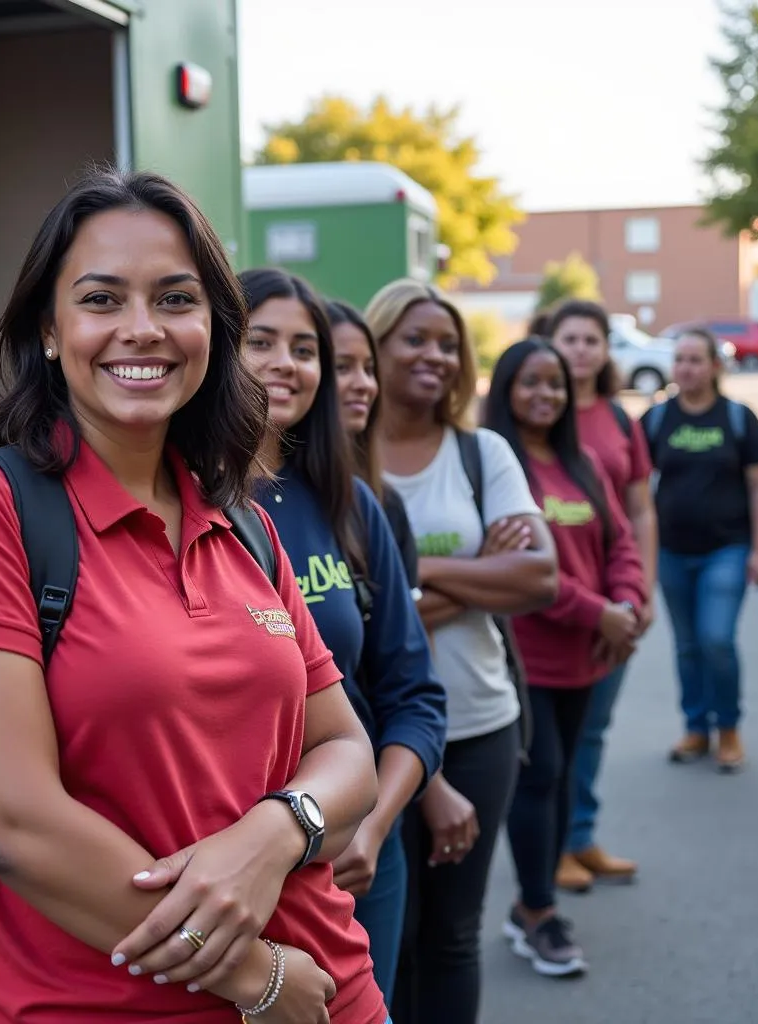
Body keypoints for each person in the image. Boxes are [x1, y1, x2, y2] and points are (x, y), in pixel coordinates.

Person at [0, 168, 391, 1023]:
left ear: (212, 329)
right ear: (50, 329)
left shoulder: (243, 525)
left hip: (332, 986)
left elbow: (346, 751)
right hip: (105, 1002)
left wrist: (273, 834)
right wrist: (252, 977)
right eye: (102, 299)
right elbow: (15, 824)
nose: (143, 330)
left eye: (176, 299)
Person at [238, 268, 447, 1007]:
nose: (284, 364)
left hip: (357, 850)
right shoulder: (180, 501)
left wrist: (374, 825)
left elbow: (412, 694)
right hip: (227, 858)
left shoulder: (350, 502)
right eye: (259, 341)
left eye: (304, 348)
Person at [364, 280, 557, 1024]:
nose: (435, 357)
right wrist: (479, 575)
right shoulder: (338, 457)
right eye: (415, 339)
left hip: (480, 723)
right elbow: (341, 613)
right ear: (375, 347)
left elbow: (538, 575)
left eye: (448, 344)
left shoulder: (483, 452)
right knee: (388, 936)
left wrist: (398, 571)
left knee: (452, 934)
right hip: (373, 737)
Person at [484, 337, 646, 978]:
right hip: (529, 657)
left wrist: (627, 603)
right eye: (531, 382)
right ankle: (537, 911)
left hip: (591, 654)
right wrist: (598, 612)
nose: (546, 395)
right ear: (506, 390)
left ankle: (536, 902)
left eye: (554, 383)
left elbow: (622, 540)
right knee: (541, 776)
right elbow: (523, 571)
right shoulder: (500, 466)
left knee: (563, 772)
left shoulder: (583, 464)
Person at [548, 299, 658, 892]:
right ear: (553, 342)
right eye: (571, 337)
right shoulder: (532, 413)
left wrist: (641, 593)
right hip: (553, 610)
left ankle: (580, 837)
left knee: (592, 730)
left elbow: (639, 510)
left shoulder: (620, 420)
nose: (582, 349)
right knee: (552, 745)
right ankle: (555, 845)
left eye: (594, 338)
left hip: (617, 602)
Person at [642, 327, 758, 772]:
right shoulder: (657, 419)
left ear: (715, 366)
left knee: (716, 639)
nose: (686, 368)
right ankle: (696, 728)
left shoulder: (738, 418)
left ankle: (729, 728)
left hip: (727, 549)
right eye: (679, 359)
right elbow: (634, 487)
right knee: (686, 645)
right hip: (671, 552)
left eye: (696, 359)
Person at [327, 298, 419, 595]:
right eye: (342, 367)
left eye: (369, 369)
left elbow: (405, 631)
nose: (364, 384)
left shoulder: (381, 501)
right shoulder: (262, 500)